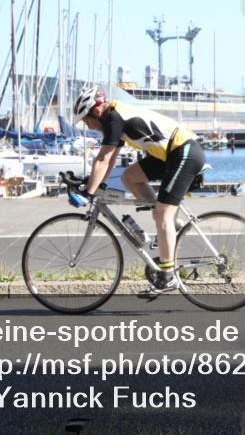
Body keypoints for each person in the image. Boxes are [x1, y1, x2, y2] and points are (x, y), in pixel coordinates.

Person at [72, 86, 206, 298]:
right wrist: (93, 185)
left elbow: (103, 158)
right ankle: (172, 227)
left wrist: (88, 192)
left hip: (184, 152)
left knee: (163, 213)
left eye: (86, 121)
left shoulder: (114, 118)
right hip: (171, 154)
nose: (87, 126)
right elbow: (111, 159)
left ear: (96, 111)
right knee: (130, 177)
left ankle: (168, 276)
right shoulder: (115, 118)